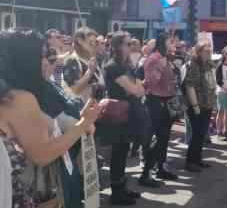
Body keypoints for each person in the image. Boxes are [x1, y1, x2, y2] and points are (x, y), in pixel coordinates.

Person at [0, 30, 103, 208]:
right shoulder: (18, 99)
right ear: (25, 60)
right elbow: (42, 154)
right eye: (43, 55)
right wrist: (84, 122)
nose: (47, 61)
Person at [101, 32, 146, 205]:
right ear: (118, 46)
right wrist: (135, 87)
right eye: (128, 44)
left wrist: (135, 87)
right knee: (118, 153)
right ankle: (116, 193)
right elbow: (136, 90)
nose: (132, 46)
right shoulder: (113, 66)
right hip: (118, 114)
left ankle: (121, 187)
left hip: (128, 113)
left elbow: (139, 88)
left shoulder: (126, 65)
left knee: (123, 151)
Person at [140, 32, 178, 187]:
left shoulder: (165, 58)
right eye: (171, 42)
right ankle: (146, 173)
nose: (173, 45)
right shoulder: (154, 59)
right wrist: (161, 68)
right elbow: (150, 83)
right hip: (156, 102)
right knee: (159, 138)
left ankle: (161, 167)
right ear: (163, 42)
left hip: (167, 101)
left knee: (164, 138)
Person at [184, 42, 216, 172]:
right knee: (197, 133)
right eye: (205, 51)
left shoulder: (209, 64)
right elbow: (189, 85)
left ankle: (198, 159)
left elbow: (211, 82)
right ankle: (190, 162)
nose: (208, 53)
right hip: (196, 104)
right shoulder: (193, 64)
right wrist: (195, 105)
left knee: (202, 133)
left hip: (207, 103)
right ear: (198, 51)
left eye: (210, 50)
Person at [62, 27, 104, 104]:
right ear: (80, 41)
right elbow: (75, 89)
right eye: (91, 42)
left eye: (95, 42)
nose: (94, 45)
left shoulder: (91, 60)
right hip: (81, 110)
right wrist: (90, 72)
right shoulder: (72, 60)